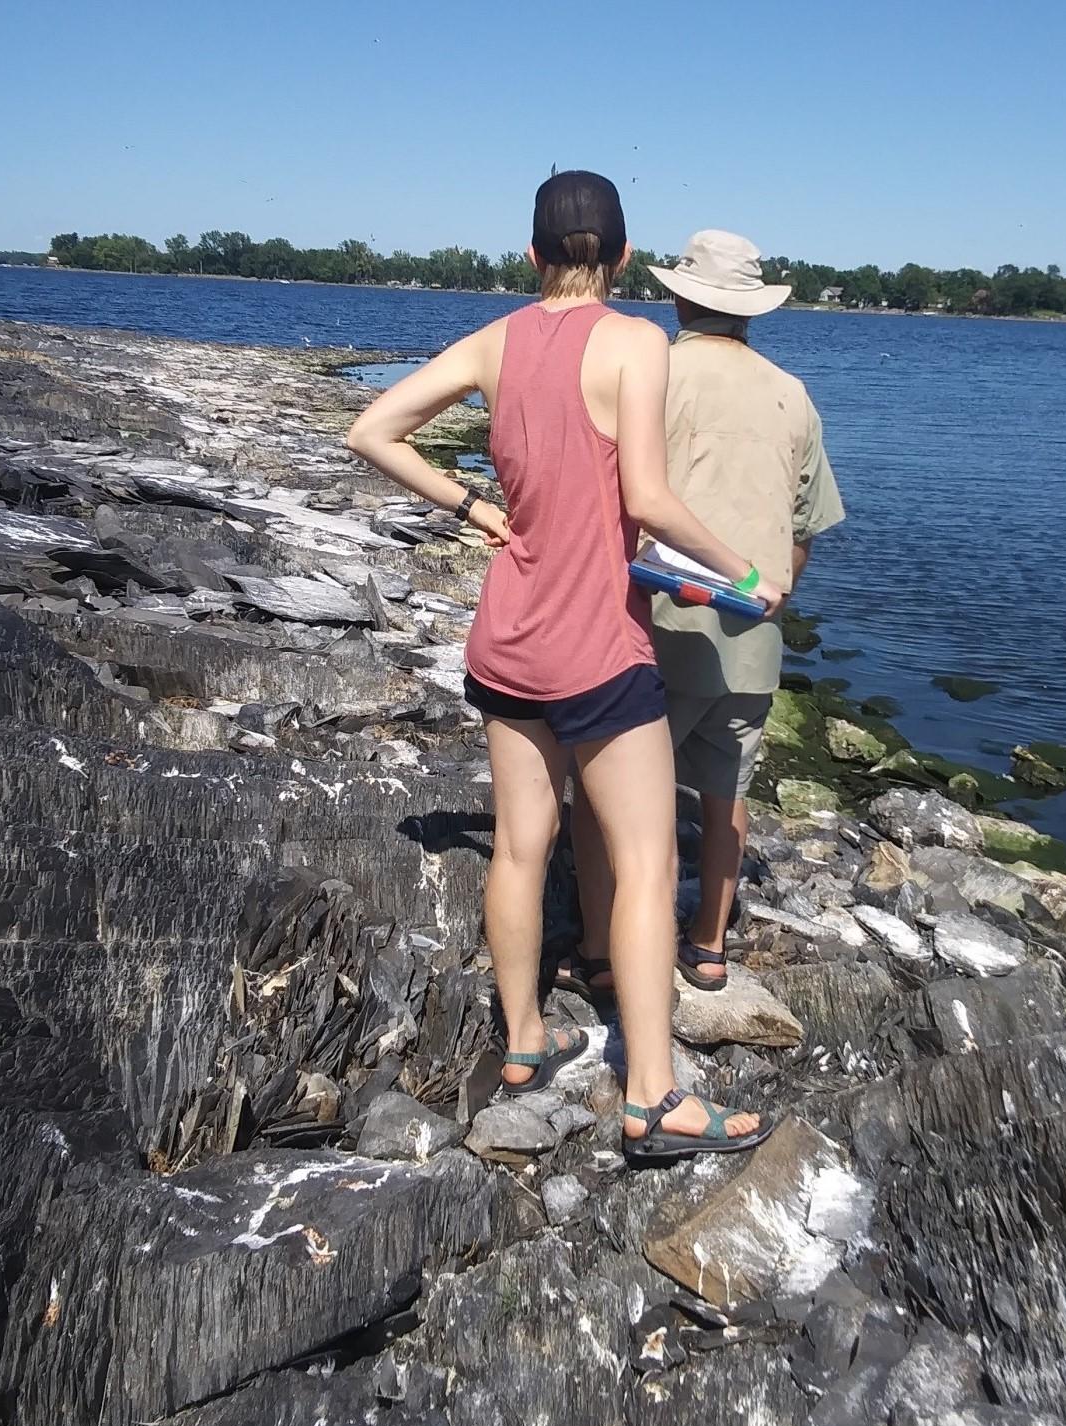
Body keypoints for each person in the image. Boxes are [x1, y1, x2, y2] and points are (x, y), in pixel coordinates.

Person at [347, 175, 782, 1161]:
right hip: (597, 646)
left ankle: (526, 1044)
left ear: (534, 253)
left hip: (507, 637)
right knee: (643, 863)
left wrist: (471, 508)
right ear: (623, 259)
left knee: (520, 845)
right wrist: (745, 571)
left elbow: (370, 429)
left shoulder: (493, 341)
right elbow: (652, 501)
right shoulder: (637, 343)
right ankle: (656, 1095)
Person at [560, 229, 843, 996]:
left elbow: (600, 498)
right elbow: (804, 533)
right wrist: (765, 592)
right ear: (751, 310)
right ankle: (710, 944)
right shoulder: (792, 393)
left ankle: (600, 946)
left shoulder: (653, 372)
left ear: (681, 297)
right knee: (728, 796)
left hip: (654, 625)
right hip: (753, 636)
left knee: (603, 796)